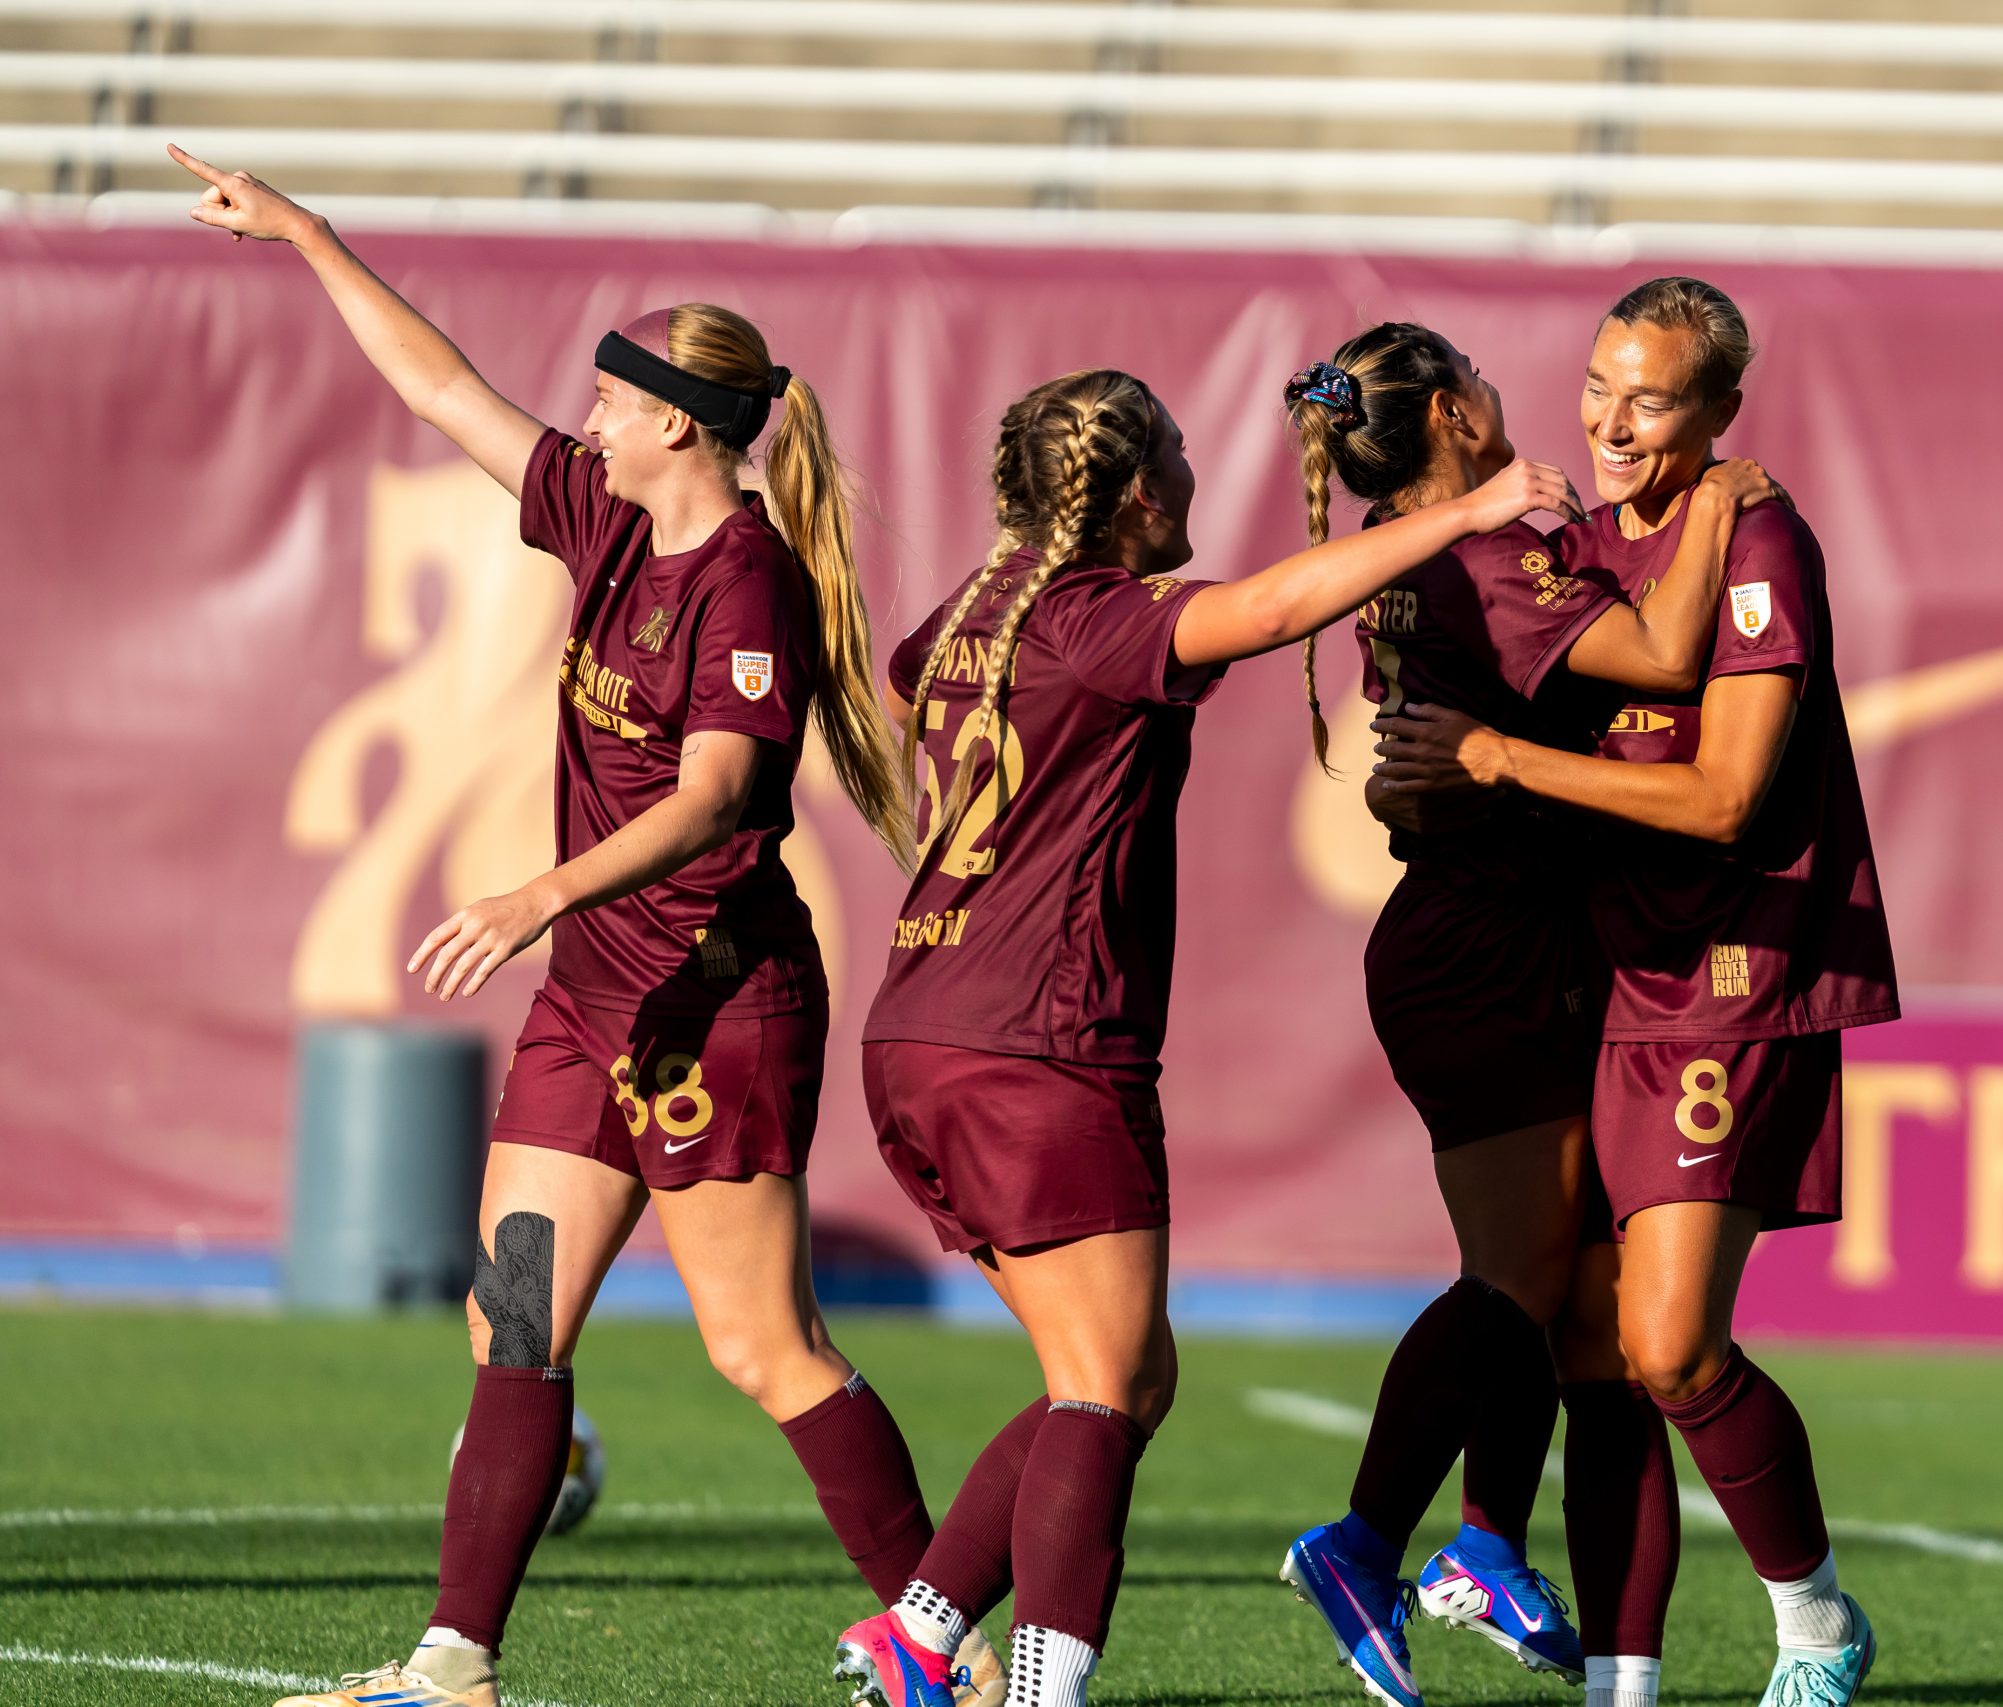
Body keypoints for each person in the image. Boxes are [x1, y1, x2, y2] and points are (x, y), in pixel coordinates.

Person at [168, 145, 1003, 1707]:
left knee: (765, 1351)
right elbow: (439, 389)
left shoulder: (743, 580)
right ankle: (452, 1657)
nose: (589, 418)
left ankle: (934, 1638)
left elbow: (715, 792)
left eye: (615, 398)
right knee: (516, 1317)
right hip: (590, 1005)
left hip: (714, 1005)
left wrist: (538, 891)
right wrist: (307, 236)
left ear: (678, 417)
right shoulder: (607, 517)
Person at [833, 368, 1580, 1707]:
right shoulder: (1096, 613)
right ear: (1133, 491)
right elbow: (1275, 605)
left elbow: (908, 691)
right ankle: (1041, 1686)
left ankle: (918, 1625)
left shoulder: (977, 608)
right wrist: (1473, 509)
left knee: (1121, 1374)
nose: (1191, 478)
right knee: (1102, 1390)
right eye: (1175, 456)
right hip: (1040, 1038)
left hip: (920, 1024)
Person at [1373, 277, 1898, 1707]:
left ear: (1720, 413)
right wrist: (1420, 774)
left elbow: (1728, 795)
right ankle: (1612, 1670)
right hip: (1596, 972)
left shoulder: (1762, 540)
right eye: (1599, 382)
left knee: (1669, 1343)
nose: (1609, 417)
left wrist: (1496, 762)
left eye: (1650, 397)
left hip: (1730, 970)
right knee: (1593, 1343)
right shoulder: (1577, 544)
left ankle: (1813, 1617)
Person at [1272, 323, 1779, 1707]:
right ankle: (1371, 1538)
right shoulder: (1484, 548)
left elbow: (1422, 762)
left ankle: (1507, 1560)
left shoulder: (1408, 540)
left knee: (1583, 1300)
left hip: (1499, 934)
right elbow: (1674, 657)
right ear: (1453, 409)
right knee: (1518, 1276)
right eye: (1487, 381)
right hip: (1484, 943)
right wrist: (1722, 496)